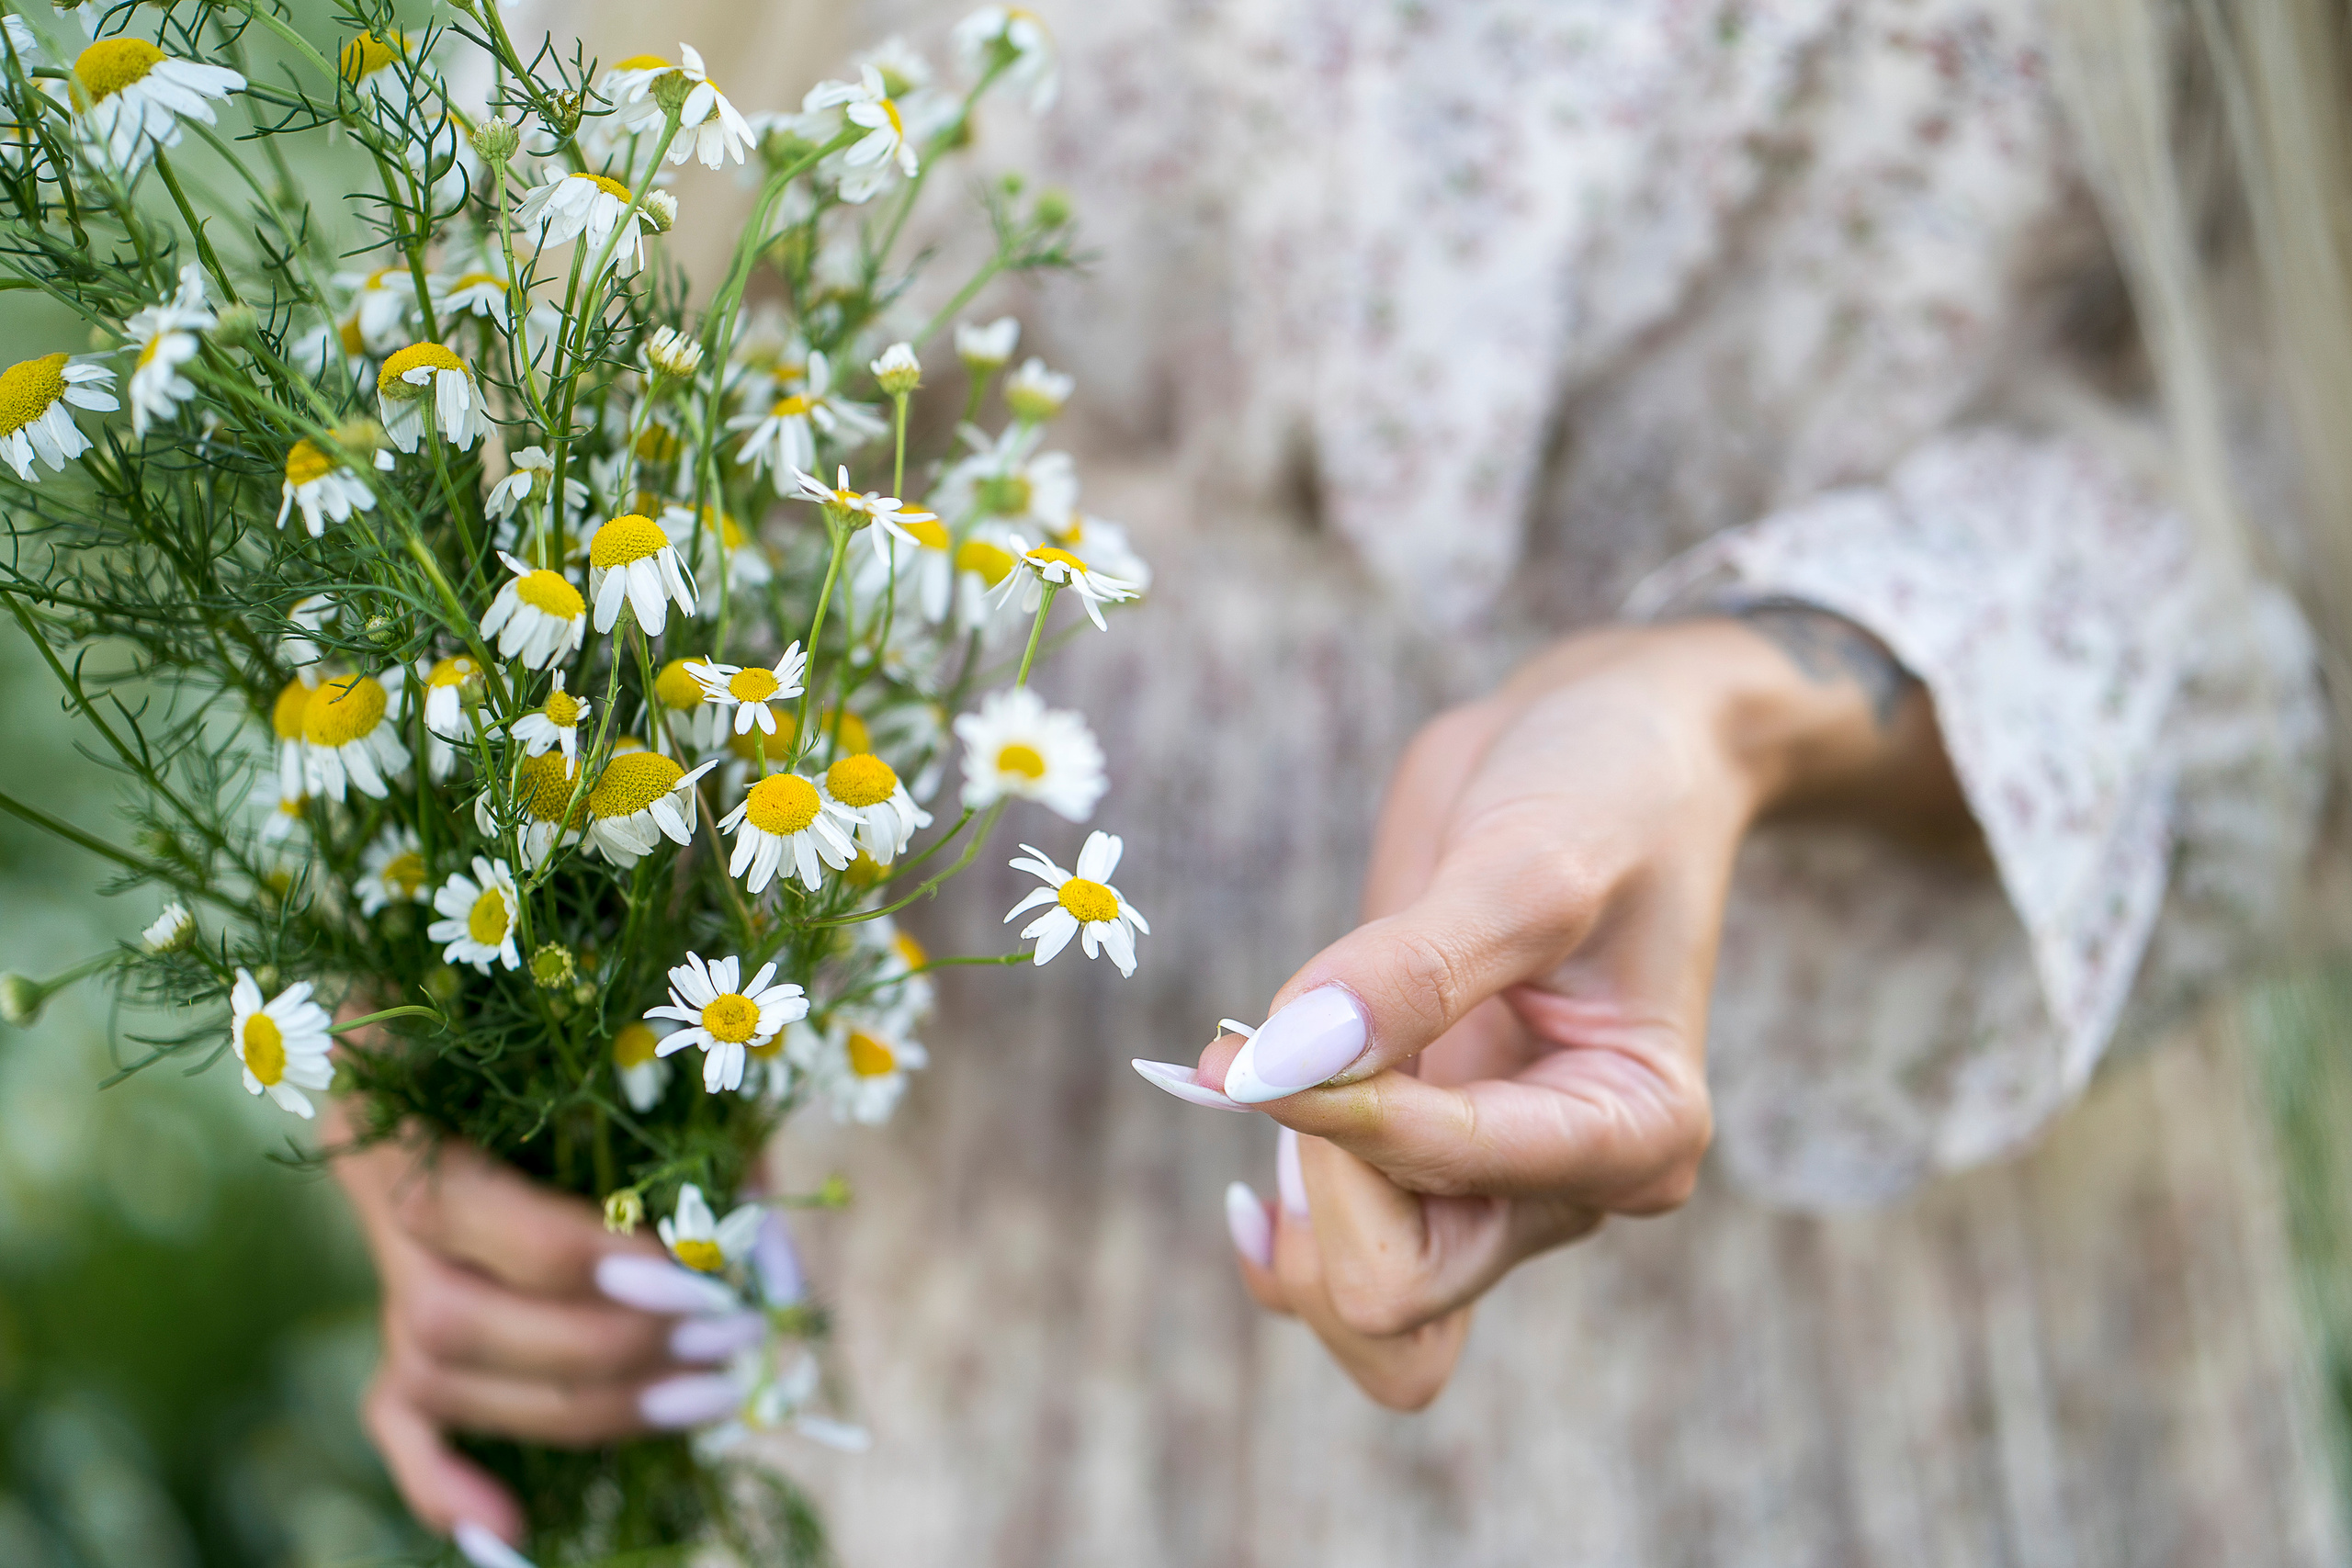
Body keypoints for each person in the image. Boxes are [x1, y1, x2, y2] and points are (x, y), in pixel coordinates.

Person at [339, 1, 2351, 1560]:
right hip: (969, 1204)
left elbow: (2278, 501)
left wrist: (1728, 707)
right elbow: (584, 352)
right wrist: (471, 971)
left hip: (1836, 1231)